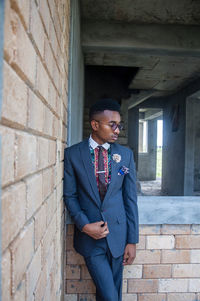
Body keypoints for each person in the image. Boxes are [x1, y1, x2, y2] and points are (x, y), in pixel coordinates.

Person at [64, 99, 139, 301]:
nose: (117, 130)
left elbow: (130, 199)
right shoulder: (73, 154)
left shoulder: (125, 155)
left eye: (119, 125)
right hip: (90, 239)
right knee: (110, 296)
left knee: (111, 294)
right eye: (111, 124)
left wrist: (132, 240)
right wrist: (84, 226)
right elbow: (70, 195)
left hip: (118, 237)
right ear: (95, 125)